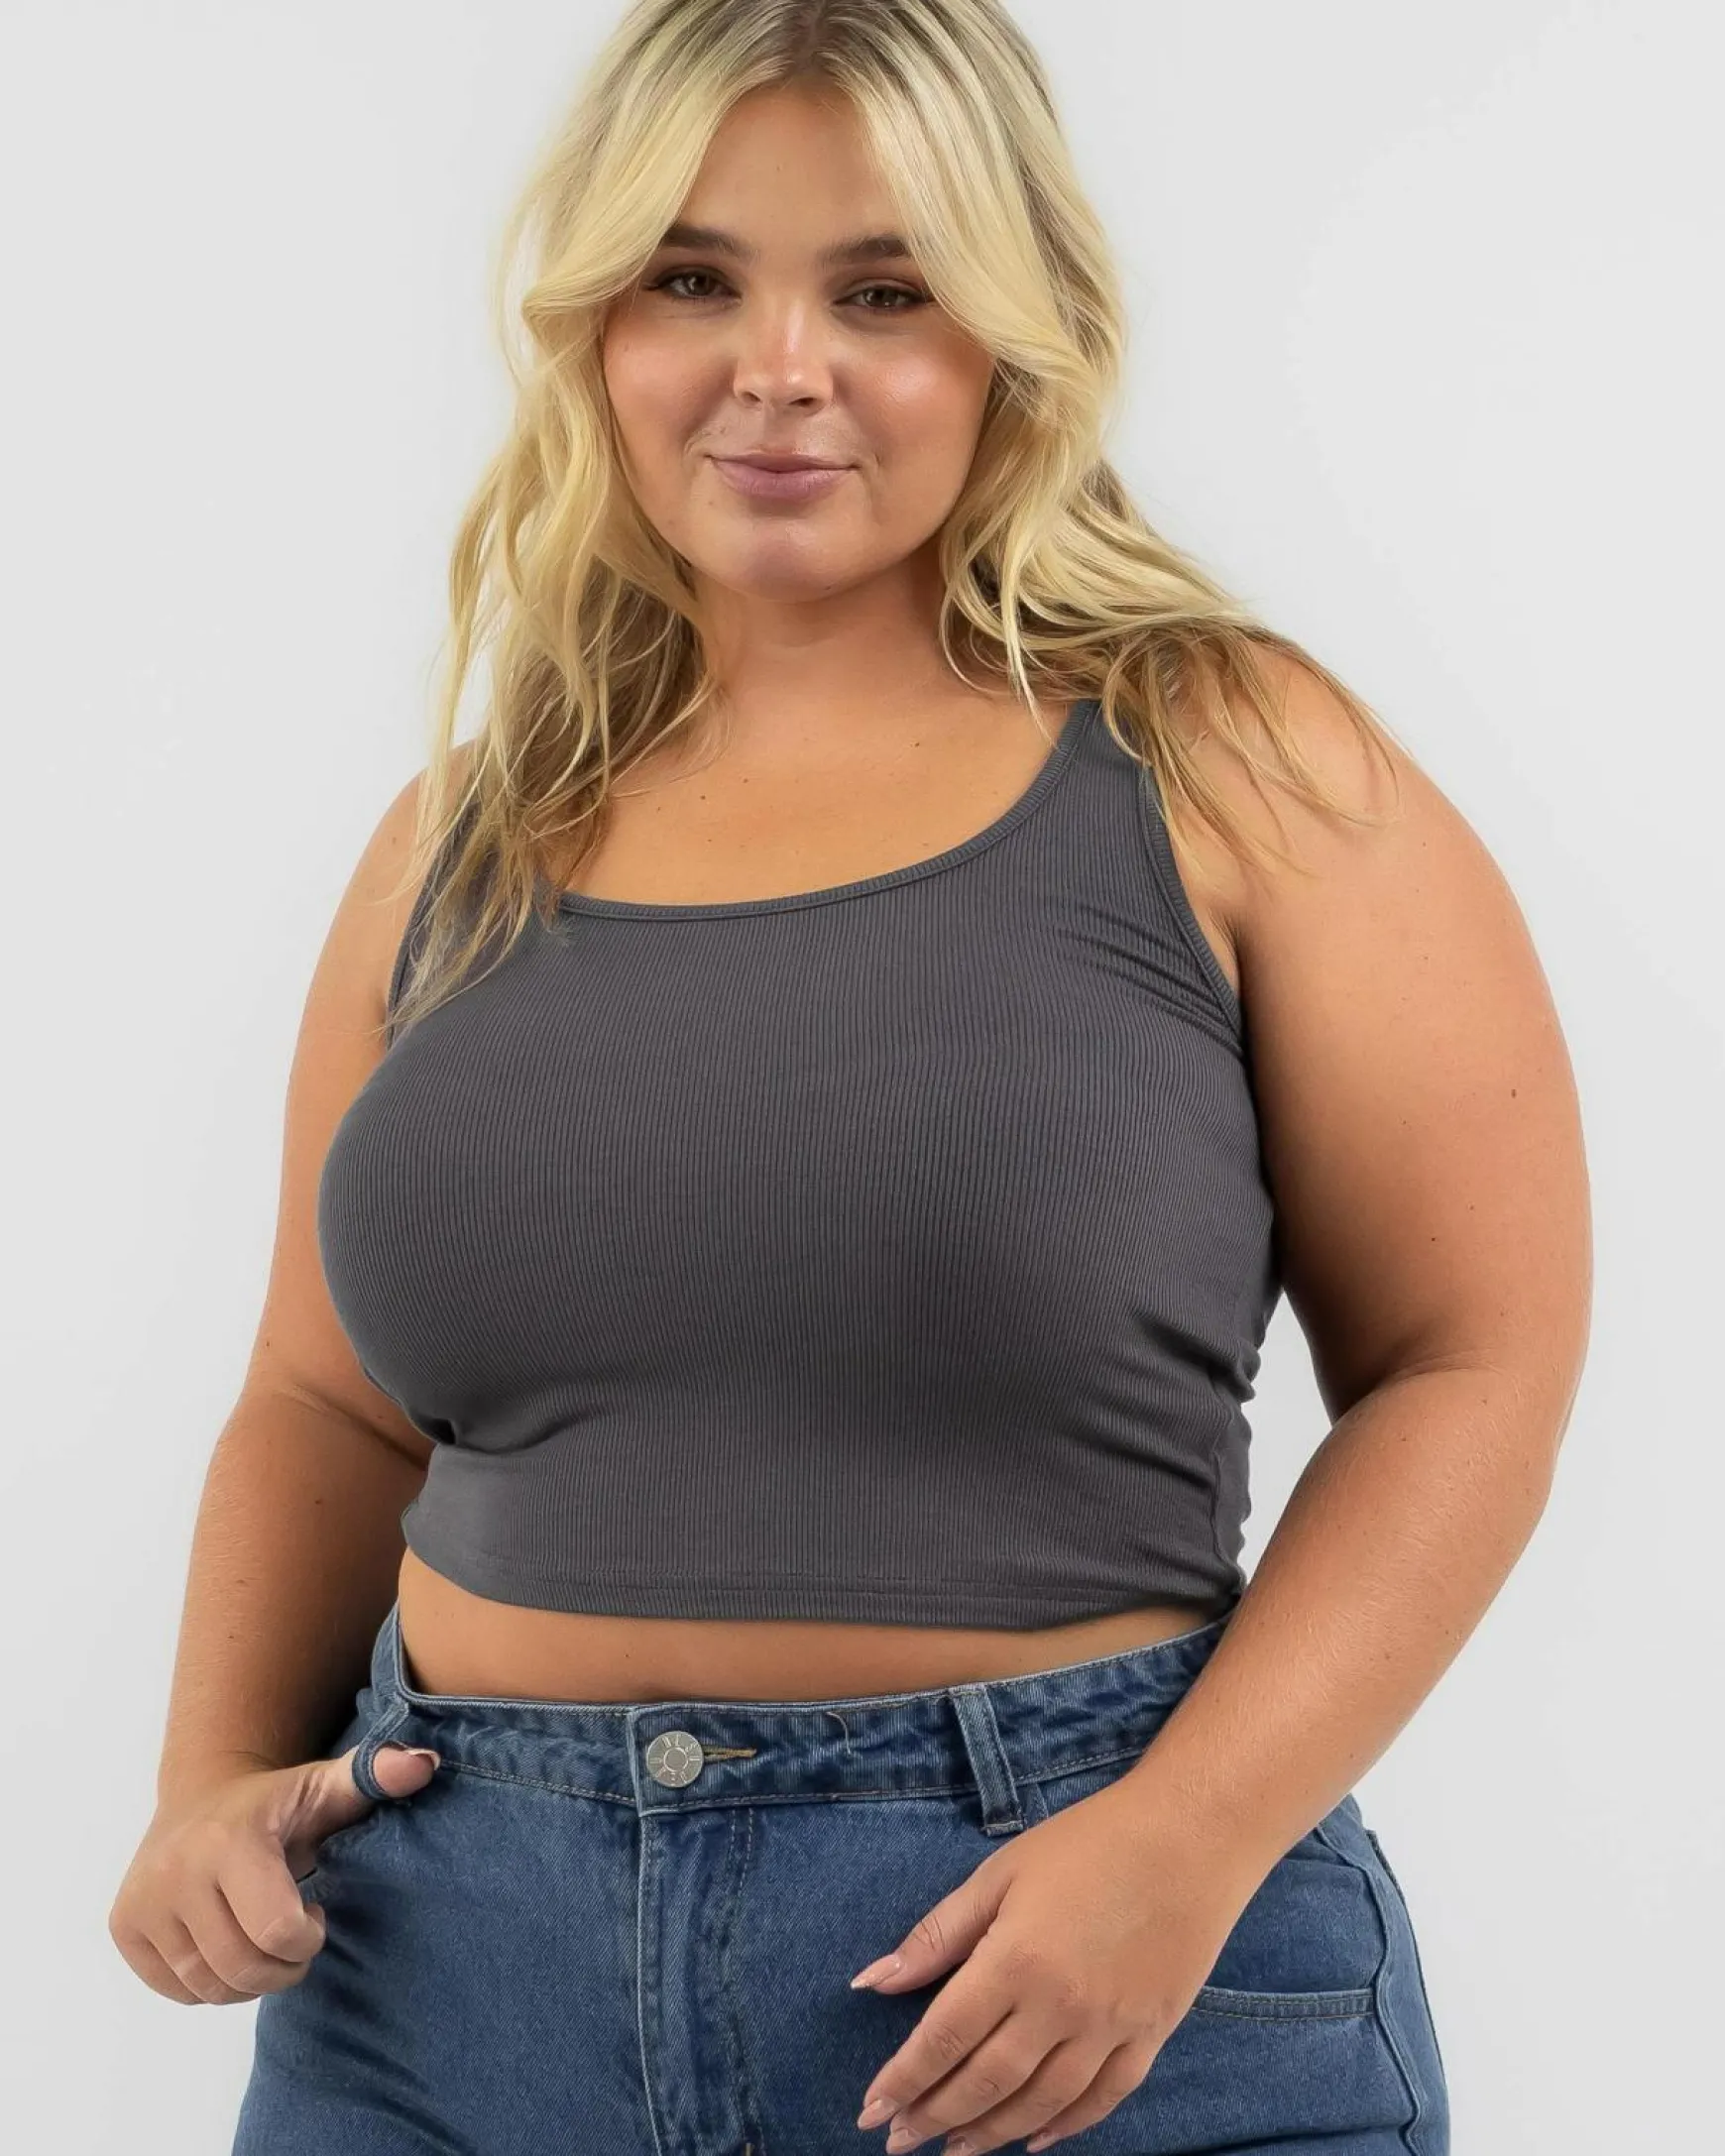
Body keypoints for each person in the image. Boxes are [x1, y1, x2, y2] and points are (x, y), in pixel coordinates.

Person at [109, 4, 1590, 2152]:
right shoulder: (459, 836)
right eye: (693, 278)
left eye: (883, 291)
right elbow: (325, 1400)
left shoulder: (1234, 763)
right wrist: (202, 1779)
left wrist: (1187, 1841)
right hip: (436, 1991)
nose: (778, 365)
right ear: (596, 326)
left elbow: (1473, 1364)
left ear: (1014, 331)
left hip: (1063, 1977)